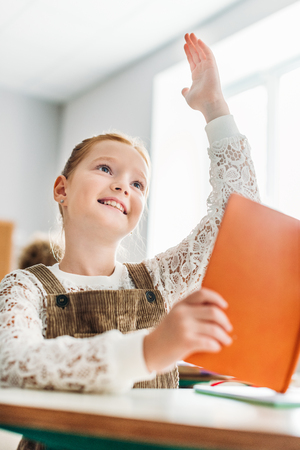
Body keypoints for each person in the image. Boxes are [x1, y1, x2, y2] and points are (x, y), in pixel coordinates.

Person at [0, 34, 259, 395]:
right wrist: (149, 350)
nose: (124, 186)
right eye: (105, 168)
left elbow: (239, 219)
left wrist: (214, 106)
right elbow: (13, 364)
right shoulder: (22, 288)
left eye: (139, 184)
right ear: (62, 189)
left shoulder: (160, 281)